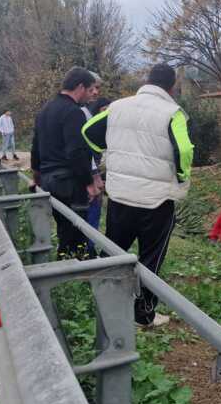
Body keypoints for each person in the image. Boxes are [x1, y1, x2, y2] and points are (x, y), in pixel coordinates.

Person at [82, 63, 194, 327]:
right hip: (157, 200)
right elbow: (185, 151)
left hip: (120, 196)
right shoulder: (173, 112)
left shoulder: (118, 107)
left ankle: (106, 301)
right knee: (150, 257)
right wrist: (181, 177)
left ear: (147, 80)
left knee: (114, 249)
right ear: (171, 86)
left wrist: (113, 148)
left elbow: (89, 132)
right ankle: (143, 315)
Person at [31, 67, 99, 259]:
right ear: (80, 87)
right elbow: (76, 152)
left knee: (64, 229)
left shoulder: (45, 110)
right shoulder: (73, 112)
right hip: (69, 183)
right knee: (77, 233)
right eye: (90, 89)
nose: (91, 95)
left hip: (48, 180)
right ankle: (77, 274)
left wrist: (37, 178)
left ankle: (66, 268)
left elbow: (35, 148)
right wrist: (89, 183)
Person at [82, 94, 111, 255]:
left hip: (98, 174)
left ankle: (88, 247)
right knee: (91, 211)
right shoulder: (90, 126)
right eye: (104, 110)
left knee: (94, 213)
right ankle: (88, 249)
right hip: (91, 175)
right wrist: (95, 176)